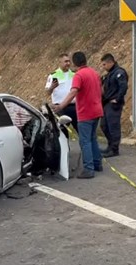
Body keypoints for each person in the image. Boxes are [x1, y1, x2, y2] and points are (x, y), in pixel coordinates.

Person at [54, 51, 104, 179]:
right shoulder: (94, 73)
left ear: (75, 63)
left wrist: (61, 106)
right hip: (97, 110)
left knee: (85, 141)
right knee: (93, 138)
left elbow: (73, 92)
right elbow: (101, 91)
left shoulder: (78, 75)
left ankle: (88, 169)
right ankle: (97, 164)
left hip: (85, 113)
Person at [100, 53, 128, 157]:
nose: (103, 67)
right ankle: (110, 146)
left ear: (110, 62)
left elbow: (123, 86)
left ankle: (114, 149)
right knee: (104, 126)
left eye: (104, 64)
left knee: (113, 126)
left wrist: (118, 98)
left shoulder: (119, 73)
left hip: (114, 104)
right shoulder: (109, 74)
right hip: (107, 103)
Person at [45, 53, 77, 130]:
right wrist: (52, 87)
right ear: (60, 62)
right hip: (60, 108)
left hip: (74, 106)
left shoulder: (74, 74)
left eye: (69, 61)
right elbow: (47, 92)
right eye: (66, 61)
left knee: (81, 130)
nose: (68, 63)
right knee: (62, 132)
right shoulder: (53, 75)